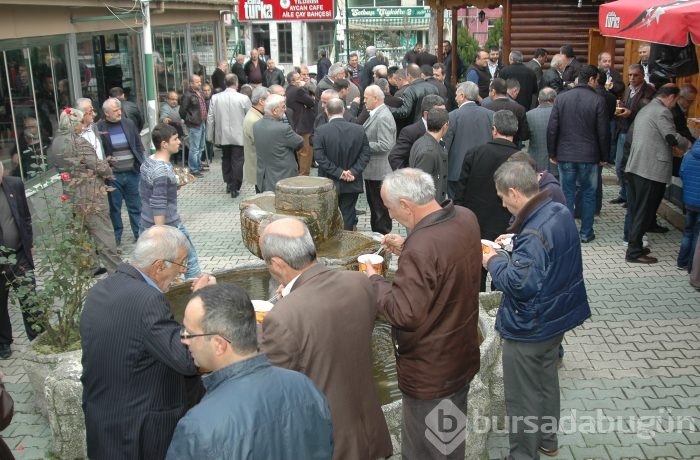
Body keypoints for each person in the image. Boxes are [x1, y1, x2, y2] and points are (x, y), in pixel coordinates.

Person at [363, 168, 481, 459]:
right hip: (460, 358)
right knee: (449, 444)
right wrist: (407, 248)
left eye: (389, 208)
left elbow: (404, 313)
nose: (389, 215)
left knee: (424, 451)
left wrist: (373, 280)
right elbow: (446, 265)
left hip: (430, 374)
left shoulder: (423, 246)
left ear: (405, 205)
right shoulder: (466, 218)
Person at [483, 160, 591, 460]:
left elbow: (520, 285)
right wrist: (516, 242)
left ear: (515, 192)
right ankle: (547, 440)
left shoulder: (533, 233)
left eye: (502, 198)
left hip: (529, 326)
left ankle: (522, 455)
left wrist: (493, 260)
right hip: (555, 319)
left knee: (522, 397)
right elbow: (550, 252)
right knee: (546, 382)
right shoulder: (556, 210)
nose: (503, 205)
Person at [259, 218, 393, 460]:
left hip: (329, 443)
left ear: (277, 263)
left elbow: (272, 389)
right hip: (370, 431)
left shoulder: (282, 316)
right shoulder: (360, 283)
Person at [81, 226, 212, 460]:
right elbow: (188, 359)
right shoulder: (148, 300)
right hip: (139, 432)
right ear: (160, 265)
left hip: (102, 422)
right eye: (181, 264)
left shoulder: (100, 290)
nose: (182, 273)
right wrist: (202, 302)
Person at [166, 284, 334, 459]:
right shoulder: (306, 387)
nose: (183, 340)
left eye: (189, 333)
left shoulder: (198, 427)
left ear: (219, 344)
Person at [50, 107, 122, 274]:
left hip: (71, 193)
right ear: (75, 124)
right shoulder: (78, 142)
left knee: (82, 233)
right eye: (81, 122)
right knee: (103, 233)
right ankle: (116, 270)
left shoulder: (56, 142)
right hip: (91, 195)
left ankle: (90, 267)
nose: (83, 126)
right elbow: (97, 165)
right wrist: (109, 172)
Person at [454, 110, 520, 291]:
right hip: (508, 229)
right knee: (504, 272)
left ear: (494, 129)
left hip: (476, 225)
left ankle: (477, 310)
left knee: (475, 275)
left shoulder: (475, 153)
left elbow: (460, 192)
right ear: (514, 131)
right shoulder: (521, 160)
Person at [626, 84, 690, 264]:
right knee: (644, 212)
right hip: (650, 170)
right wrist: (688, 143)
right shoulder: (662, 112)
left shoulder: (647, 109)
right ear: (672, 97)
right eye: (676, 101)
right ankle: (634, 252)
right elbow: (671, 137)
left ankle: (635, 245)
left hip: (637, 167)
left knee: (638, 210)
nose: (674, 105)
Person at [547, 64, 609, 243]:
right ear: (590, 79)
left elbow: (553, 128)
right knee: (589, 193)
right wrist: (604, 157)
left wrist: (552, 151)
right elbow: (603, 132)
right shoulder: (598, 100)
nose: (598, 83)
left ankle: (568, 233)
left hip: (565, 154)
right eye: (597, 80)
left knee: (567, 193)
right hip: (589, 156)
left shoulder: (561, 98)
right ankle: (586, 232)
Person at [140, 123, 202, 279]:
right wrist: (160, 231)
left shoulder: (148, 161)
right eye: (175, 139)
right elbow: (158, 202)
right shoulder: (162, 170)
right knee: (190, 263)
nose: (179, 142)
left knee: (153, 266)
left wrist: (173, 187)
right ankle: (196, 294)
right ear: (164, 144)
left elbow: (148, 191)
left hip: (145, 223)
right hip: (169, 226)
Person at [0, 161, 40, 359]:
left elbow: (25, 216)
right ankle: (4, 343)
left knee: (30, 297)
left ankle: (37, 337)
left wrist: (29, 242)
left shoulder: (14, 184)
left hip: (20, 254)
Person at [313, 98, 370, 231]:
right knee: (348, 214)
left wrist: (339, 173)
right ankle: (346, 242)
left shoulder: (321, 131)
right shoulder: (359, 130)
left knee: (329, 214)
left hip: (329, 181)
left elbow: (320, 158)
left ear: (326, 111)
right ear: (343, 110)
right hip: (352, 181)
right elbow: (365, 155)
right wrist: (353, 172)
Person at [97, 97, 144, 247]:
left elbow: (137, 143)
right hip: (113, 175)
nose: (119, 113)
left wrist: (140, 163)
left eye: (119, 109)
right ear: (106, 113)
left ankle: (139, 234)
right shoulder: (99, 128)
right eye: (115, 110)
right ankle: (116, 237)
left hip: (132, 172)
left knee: (135, 206)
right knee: (114, 208)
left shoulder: (128, 123)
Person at [610, 64, 655, 206]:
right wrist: (622, 105)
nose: (632, 78)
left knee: (631, 167)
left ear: (642, 75)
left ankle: (630, 197)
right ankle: (623, 194)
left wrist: (631, 113)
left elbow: (647, 112)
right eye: (630, 75)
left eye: (635, 75)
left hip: (637, 133)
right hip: (624, 130)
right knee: (619, 165)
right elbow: (627, 105)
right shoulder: (629, 88)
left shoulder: (649, 91)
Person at [444, 81, 494, 198]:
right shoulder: (490, 115)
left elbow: (446, 145)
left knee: (457, 209)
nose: (455, 98)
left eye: (456, 94)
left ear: (462, 96)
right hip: (484, 169)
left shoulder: (452, 116)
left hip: (456, 171)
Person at [207, 73, 251, 198]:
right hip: (239, 135)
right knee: (238, 160)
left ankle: (228, 182)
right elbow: (249, 116)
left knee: (225, 158)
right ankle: (235, 186)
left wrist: (210, 136)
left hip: (222, 135)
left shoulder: (215, 98)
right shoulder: (243, 98)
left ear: (225, 83)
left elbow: (210, 118)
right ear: (236, 83)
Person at [362, 84, 396, 235]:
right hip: (374, 171)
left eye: (366, 98)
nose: (364, 101)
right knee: (376, 209)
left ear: (375, 99)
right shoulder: (377, 113)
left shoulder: (382, 116)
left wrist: (363, 145)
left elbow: (385, 144)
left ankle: (383, 240)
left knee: (379, 211)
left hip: (379, 172)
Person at [254, 94, 304, 192]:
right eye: (283, 107)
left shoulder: (256, 125)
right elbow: (299, 142)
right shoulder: (283, 128)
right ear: (274, 111)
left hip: (264, 176)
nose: (285, 109)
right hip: (282, 177)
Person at [388, 94, 445, 170]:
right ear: (426, 114)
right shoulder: (411, 132)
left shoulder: (445, 128)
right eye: (439, 113)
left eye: (444, 112)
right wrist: (409, 178)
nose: (444, 116)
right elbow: (395, 157)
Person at [409, 107, 449, 202]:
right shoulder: (428, 152)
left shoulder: (420, 142)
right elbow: (420, 188)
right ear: (445, 125)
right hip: (429, 209)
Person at [285, 71, 316, 176]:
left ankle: (301, 175)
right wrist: (303, 88)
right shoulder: (298, 91)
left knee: (300, 153)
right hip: (303, 126)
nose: (302, 79)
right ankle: (304, 178)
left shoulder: (288, 90)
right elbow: (312, 102)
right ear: (293, 81)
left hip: (296, 125)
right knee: (305, 153)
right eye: (299, 78)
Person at [483, 78, 529, 147]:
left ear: (493, 91)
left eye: (489, 91)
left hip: (491, 147)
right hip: (513, 147)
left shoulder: (486, 108)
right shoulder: (519, 108)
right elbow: (524, 135)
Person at [677, 140, 700, 272]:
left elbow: (682, 173)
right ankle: (692, 266)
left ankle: (681, 262)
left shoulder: (689, 155)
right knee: (697, 235)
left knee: (687, 231)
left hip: (689, 201)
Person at [179, 74, 207, 177]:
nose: (199, 83)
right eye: (197, 82)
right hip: (194, 124)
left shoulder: (199, 93)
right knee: (194, 148)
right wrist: (190, 119)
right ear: (191, 83)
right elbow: (182, 111)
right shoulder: (187, 95)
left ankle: (198, 165)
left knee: (200, 146)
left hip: (202, 122)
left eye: (200, 81)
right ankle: (193, 169)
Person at [526, 87, 558, 175]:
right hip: (557, 163)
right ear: (555, 99)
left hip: (536, 162)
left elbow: (525, 136)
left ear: (539, 99)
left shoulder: (529, 115)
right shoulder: (561, 114)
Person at [243, 86, 268, 192]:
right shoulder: (253, 120)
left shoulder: (256, 115)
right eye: (269, 99)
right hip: (260, 169)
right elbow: (264, 144)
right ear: (261, 101)